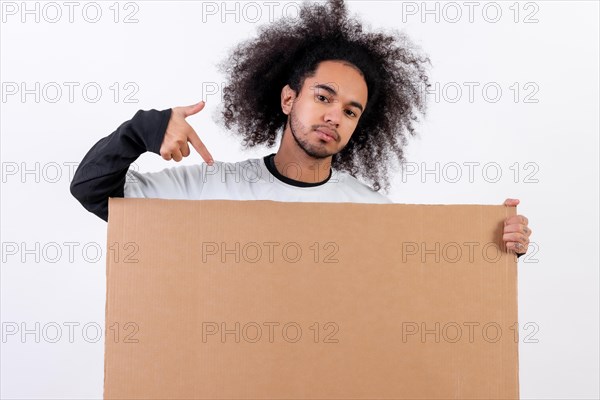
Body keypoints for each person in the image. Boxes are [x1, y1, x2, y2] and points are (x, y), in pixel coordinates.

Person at [70, 0, 531, 256]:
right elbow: (93, 190)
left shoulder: (370, 211)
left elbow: (418, 294)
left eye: (351, 111)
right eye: (324, 97)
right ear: (289, 98)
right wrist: (141, 130)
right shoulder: (209, 189)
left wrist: (494, 244)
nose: (335, 115)